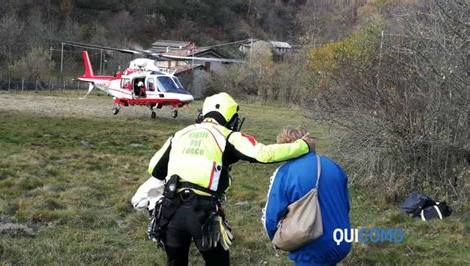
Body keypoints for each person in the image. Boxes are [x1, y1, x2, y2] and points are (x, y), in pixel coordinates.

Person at [135, 93, 316, 266]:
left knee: (175, 262)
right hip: (203, 214)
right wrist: (303, 145)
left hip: (170, 211)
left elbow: (155, 169)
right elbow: (264, 154)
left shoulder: (179, 134)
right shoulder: (228, 136)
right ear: (231, 119)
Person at [263, 127, 351, 266]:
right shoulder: (332, 165)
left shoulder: (285, 172)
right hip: (341, 241)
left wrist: (278, 239)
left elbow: (271, 216)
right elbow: (346, 205)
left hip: (311, 248)